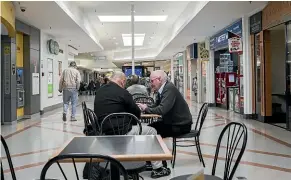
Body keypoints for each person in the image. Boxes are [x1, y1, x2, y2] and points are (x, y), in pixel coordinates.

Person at [94, 71, 171, 179]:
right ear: (122, 81)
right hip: (122, 132)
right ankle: (157, 168)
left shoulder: (100, 91)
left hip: (104, 131)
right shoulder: (122, 92)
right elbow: (136, 113)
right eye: (124, 83)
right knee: (152, 131)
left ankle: (143, 159)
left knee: (138, 129)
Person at [138, 70, 192, 138]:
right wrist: (145, 107)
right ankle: (156, 147)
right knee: (149, 128)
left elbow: (162, 110)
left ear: (159, 79)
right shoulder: (162, 89)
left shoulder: (169, 88)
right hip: (173, 122)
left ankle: (157, 148)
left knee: (149, 132)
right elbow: (157, 105)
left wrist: (146, 108)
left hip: (181, 125)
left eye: (152, 81)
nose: (150, 84)